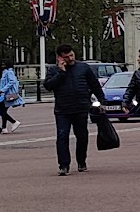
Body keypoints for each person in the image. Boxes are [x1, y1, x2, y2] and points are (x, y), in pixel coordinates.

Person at [44, 44, 106, 175]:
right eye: (66, 57)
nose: (70, 58)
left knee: (82, 136)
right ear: (60, 58)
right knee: (62, 136)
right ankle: (64, 165)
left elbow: (94, 85)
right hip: (63, 110)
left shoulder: (83, 68)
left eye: (71, 55)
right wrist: (61, 72)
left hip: (81, 107)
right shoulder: (53, 70)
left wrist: (102, 101)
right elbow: (48, 86)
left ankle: (81, 161)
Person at [0, 62, 24, 132]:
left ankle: (14, 122)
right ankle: (4, 128)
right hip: (4, 94)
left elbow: (12, 81)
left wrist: (3, 89)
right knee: (3, 110)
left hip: (7, 94)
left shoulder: (9, 72)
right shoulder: (5, 72)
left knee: (1, 111)